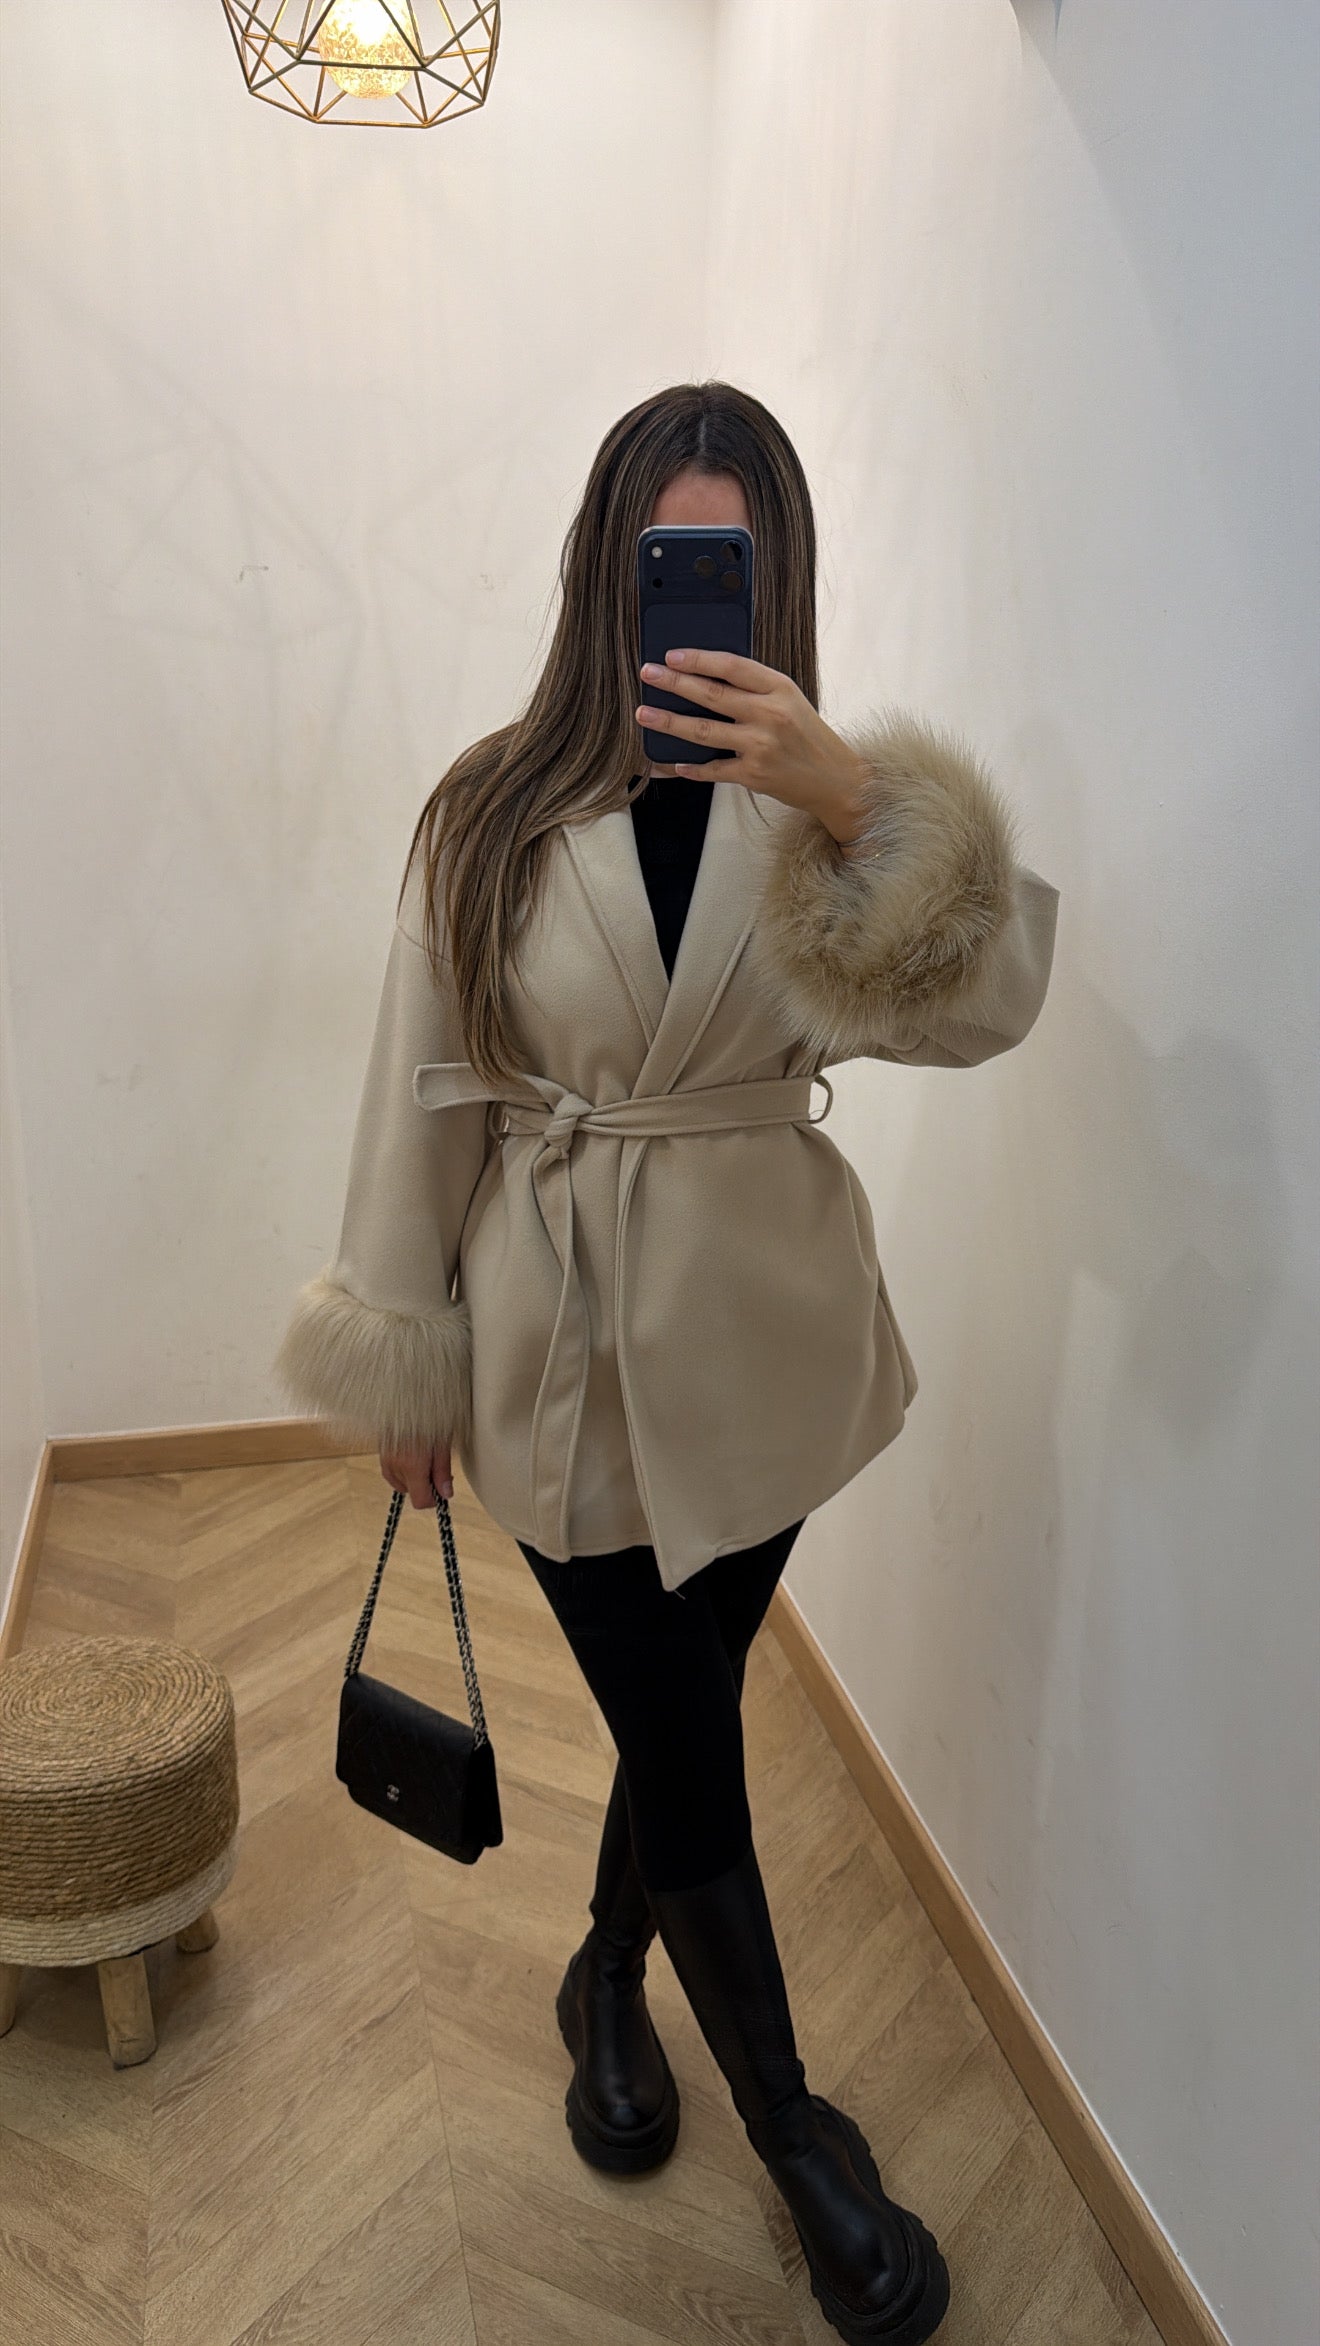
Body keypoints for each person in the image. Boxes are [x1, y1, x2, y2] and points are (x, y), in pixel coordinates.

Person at [273, 381, 1059, 2346]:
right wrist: (405, 1359)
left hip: (768, 1349)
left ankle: (611, 1975)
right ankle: (797, 2132)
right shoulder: (490, 812)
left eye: (726, 562)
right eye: (659, 561)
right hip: (555, 1345)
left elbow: (987, 1016)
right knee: (688, 1725)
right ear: (602, 571)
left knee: (679, 1702)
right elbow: (422, 1083)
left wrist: (863, 802)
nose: (686, 603)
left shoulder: (824, 818)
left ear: (774, 581)